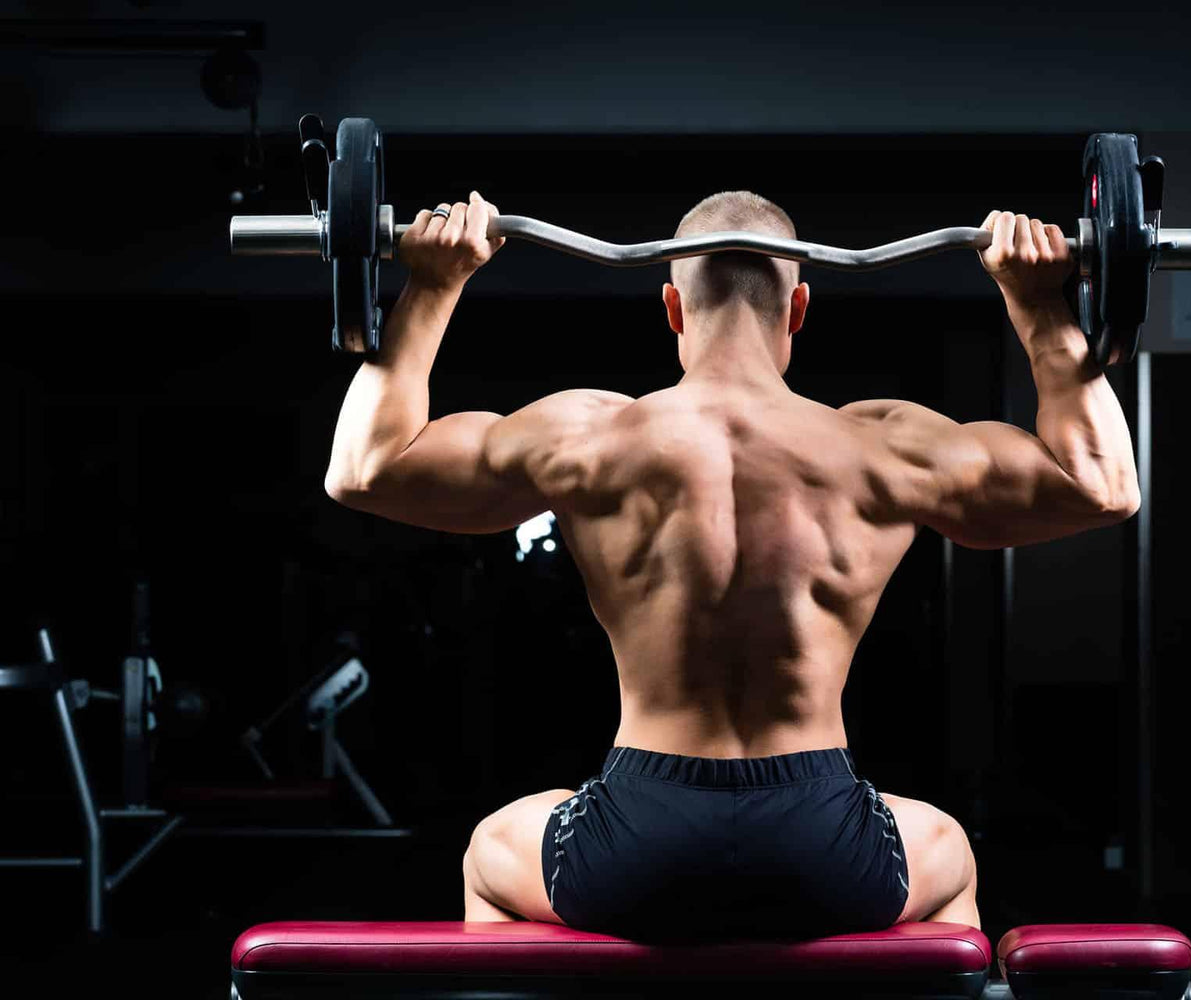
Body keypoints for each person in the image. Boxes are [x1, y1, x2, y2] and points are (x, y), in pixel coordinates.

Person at [324, 189, 1139, 941]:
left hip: (636, 835)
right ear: (801, 307)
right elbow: (1103, 486)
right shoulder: (883, 445)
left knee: (489, 853)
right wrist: (1039, 305)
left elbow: (362, 469)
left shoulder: (587, 437)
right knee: (949, 855)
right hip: (824, 836)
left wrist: (431, 286)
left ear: (672, 306)